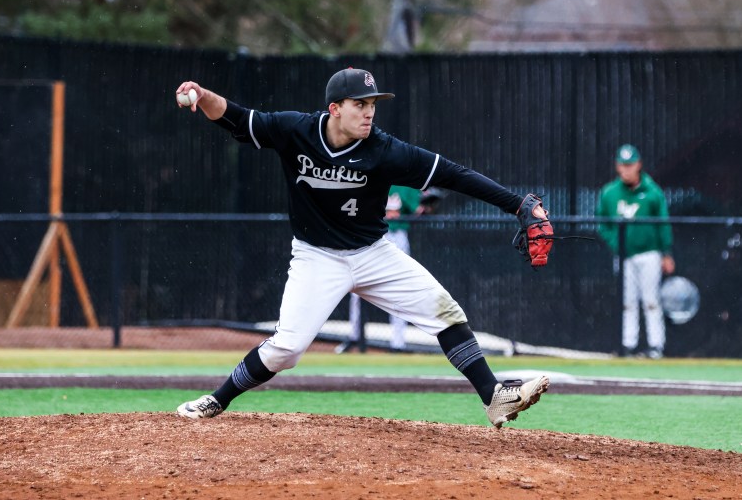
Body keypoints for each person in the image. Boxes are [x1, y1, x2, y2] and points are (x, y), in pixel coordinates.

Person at [173, 68, 551, 428]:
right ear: (334, 109)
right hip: (316, 256)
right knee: (286, 349)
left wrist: (516, 204)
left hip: (372, 254)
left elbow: (455, 175)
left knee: (446, 311)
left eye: (372, 105)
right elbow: (237, 118)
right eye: (360, 104)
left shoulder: (384, 150)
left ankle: (494, 395)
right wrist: (203, 96)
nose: (369, 113)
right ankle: (216, 400)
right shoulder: (295, 130)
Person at [596, 144, 675, 359]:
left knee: (651, 300)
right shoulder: (609, 193)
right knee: (627, 301)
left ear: (639, 165)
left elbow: (663, 223)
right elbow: (603, 224)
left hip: (649, 254)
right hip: (623, 257)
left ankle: (656, 346)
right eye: (623, 165)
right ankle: (628, 346)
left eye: (630, 165)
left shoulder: (652, 191)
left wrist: (666, 252)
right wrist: (616, 243)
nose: (627, 169)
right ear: (617, 167)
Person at [336, 184, 419, 353]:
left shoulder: (405, 183)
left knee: (399, 290)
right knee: (356, 287)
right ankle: (355, 336)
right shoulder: (371, 175)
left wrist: (427, 204)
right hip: (371, 235)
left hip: (396, 236)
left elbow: (418, 209)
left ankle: (398, 343)